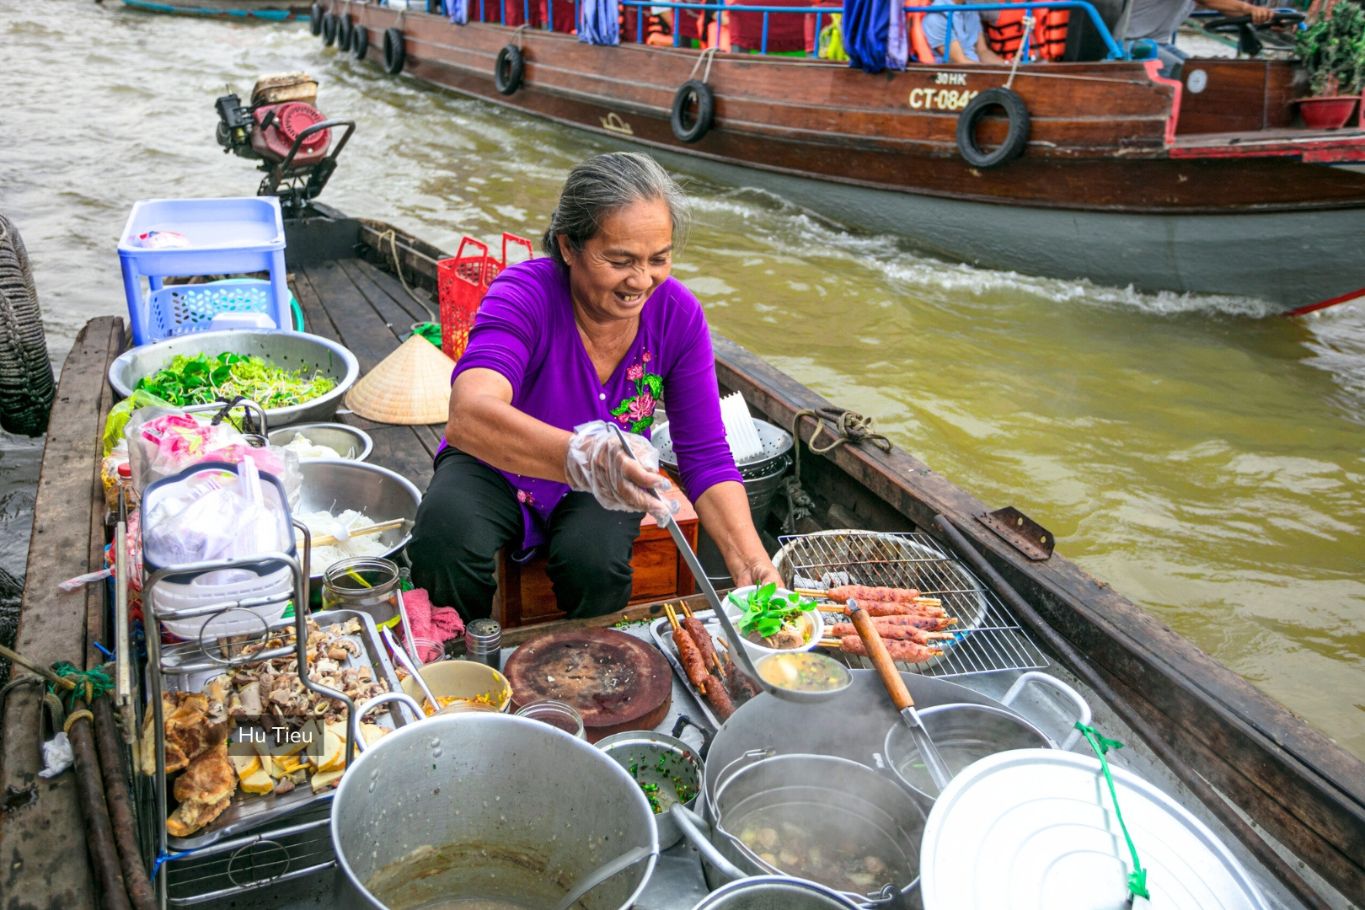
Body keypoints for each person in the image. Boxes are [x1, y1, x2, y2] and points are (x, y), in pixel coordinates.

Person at [407, 152, 781, 621]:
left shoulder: (678, 316)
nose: (641, 280)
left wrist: (751, 561)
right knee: (446, 537)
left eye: (658, 259)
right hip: (497, 463)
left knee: (596, 562)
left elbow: (704, 453)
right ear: (568, 246)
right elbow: (469, 415)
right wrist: (583, 456)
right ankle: (461, 666)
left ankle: (587, 670)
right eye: (619, 260)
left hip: (608, 478)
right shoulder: (523, 293)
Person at [1122, 0, 1274, 73]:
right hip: (1126, 44)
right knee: (1185, 72)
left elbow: (1234, 11)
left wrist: (1270, 18)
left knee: (1201, 70)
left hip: (1159, 44)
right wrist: (1248, 8)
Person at [922, 0, 1008, 63]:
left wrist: (1007, 66)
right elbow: (960, 61)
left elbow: (982, 51)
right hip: (958, 79)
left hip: (977, 72)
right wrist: (993, 72)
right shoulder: (936, 16)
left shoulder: (970, 7)